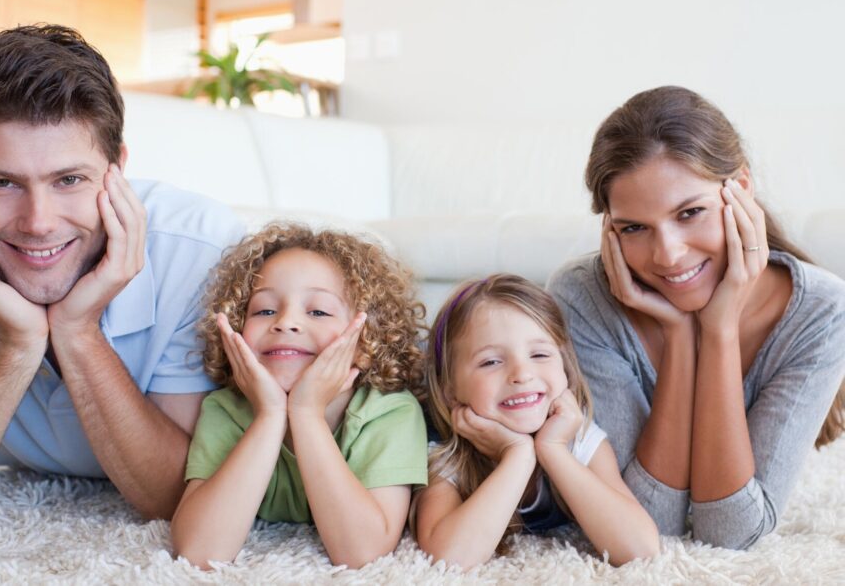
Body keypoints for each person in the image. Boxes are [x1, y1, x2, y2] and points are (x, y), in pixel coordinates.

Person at [0, 25, 243, 535]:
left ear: (117, 168)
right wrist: (16, 344)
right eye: (2, 183)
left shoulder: (203, 251)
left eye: (69, 180)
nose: (39, 222)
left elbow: (186, 497)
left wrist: (78, 334)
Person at [547, 86, 845, 549]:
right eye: (634, 228)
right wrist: (682, 336)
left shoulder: (823, 311)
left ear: (740, 190)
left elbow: (731, 534)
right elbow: (646, 524)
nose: (667, 255)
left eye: (690, 212)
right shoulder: (583, 297)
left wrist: (718, 329)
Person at [170, 223, 428, 569]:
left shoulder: (390, 413)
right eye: (264, 310)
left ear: (367, 342)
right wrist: (270, 415)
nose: (286, 322)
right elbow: (199, 551)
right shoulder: (225, 409)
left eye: (318, 311)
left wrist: (306, 413)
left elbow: (363, 554)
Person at [413, 274, 659, 569]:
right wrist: (518, 455)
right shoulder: (443, 450)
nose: (522, 374)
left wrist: (552, 449)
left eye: (539, 354)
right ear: (449, 388)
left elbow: (641, 549)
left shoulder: (576, 436)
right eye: (491, 361)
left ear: (565, 368)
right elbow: (448, 558)